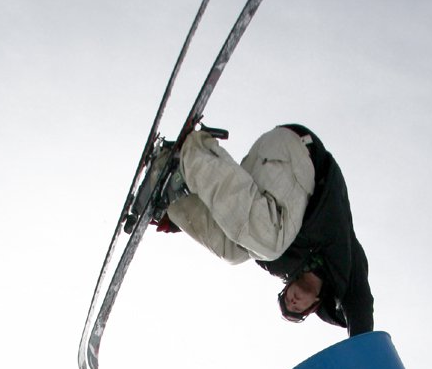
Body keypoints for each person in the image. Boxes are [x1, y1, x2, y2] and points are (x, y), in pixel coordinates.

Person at [155, 123, 374, 337]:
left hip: (264, 170)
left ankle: (170, 196)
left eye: (287, 301)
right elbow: (361, 309)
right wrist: (362, 357)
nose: (292, 301)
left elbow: (234, 221)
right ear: (314, 305)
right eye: (297, 309)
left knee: (235, 251)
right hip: (301, 154)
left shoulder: (278, 264)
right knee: (269, 242)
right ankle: (192, 152)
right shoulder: (343, 263)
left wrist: (178, 223)